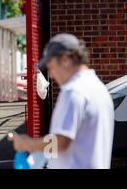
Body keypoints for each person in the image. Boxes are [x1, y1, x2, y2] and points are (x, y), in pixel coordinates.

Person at [10, 33, 114, 169]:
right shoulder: (99, 88)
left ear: (65, 59)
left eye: (51, 67)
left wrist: (27, 143)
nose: (51, 74)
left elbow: (61, 142)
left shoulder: (73, 91)